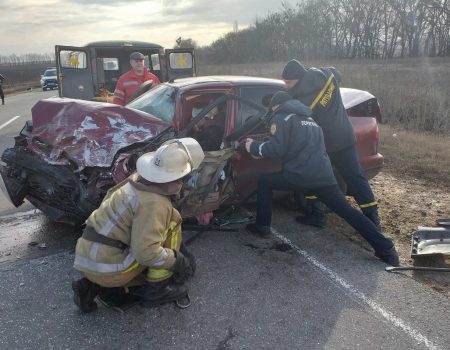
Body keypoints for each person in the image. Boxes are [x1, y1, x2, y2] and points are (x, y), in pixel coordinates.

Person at [244, 91, 399, 266]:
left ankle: (262, 226)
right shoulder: (310, 120)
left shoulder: (281, 118)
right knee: (347, 211)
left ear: (276, 106)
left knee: (265, 182)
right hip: (324, 176)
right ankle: (386, 249)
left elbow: (276, 150)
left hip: (299, 176)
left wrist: (253, 146)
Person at [72, 137, 205, 313]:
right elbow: (146, 254)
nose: (182, 183)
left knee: (143, 241)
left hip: (89, 260)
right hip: (110, 270)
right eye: (181, 178)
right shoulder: (155, 204)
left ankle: (91, 285)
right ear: (174, 180)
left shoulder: (135, 181)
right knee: (173, 222)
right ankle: (158, 290)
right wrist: (177, 261)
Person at [282, 59, 381, 229]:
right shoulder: (327, 75)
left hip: (328, 143)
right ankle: (372, 220)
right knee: (355, 178)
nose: (286, 86)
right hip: (344, 136)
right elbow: (337, 73)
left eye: (289, 82)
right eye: (285, 83)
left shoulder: (304, 100)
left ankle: (320, 215)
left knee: (318, 176)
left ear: (299, 78)